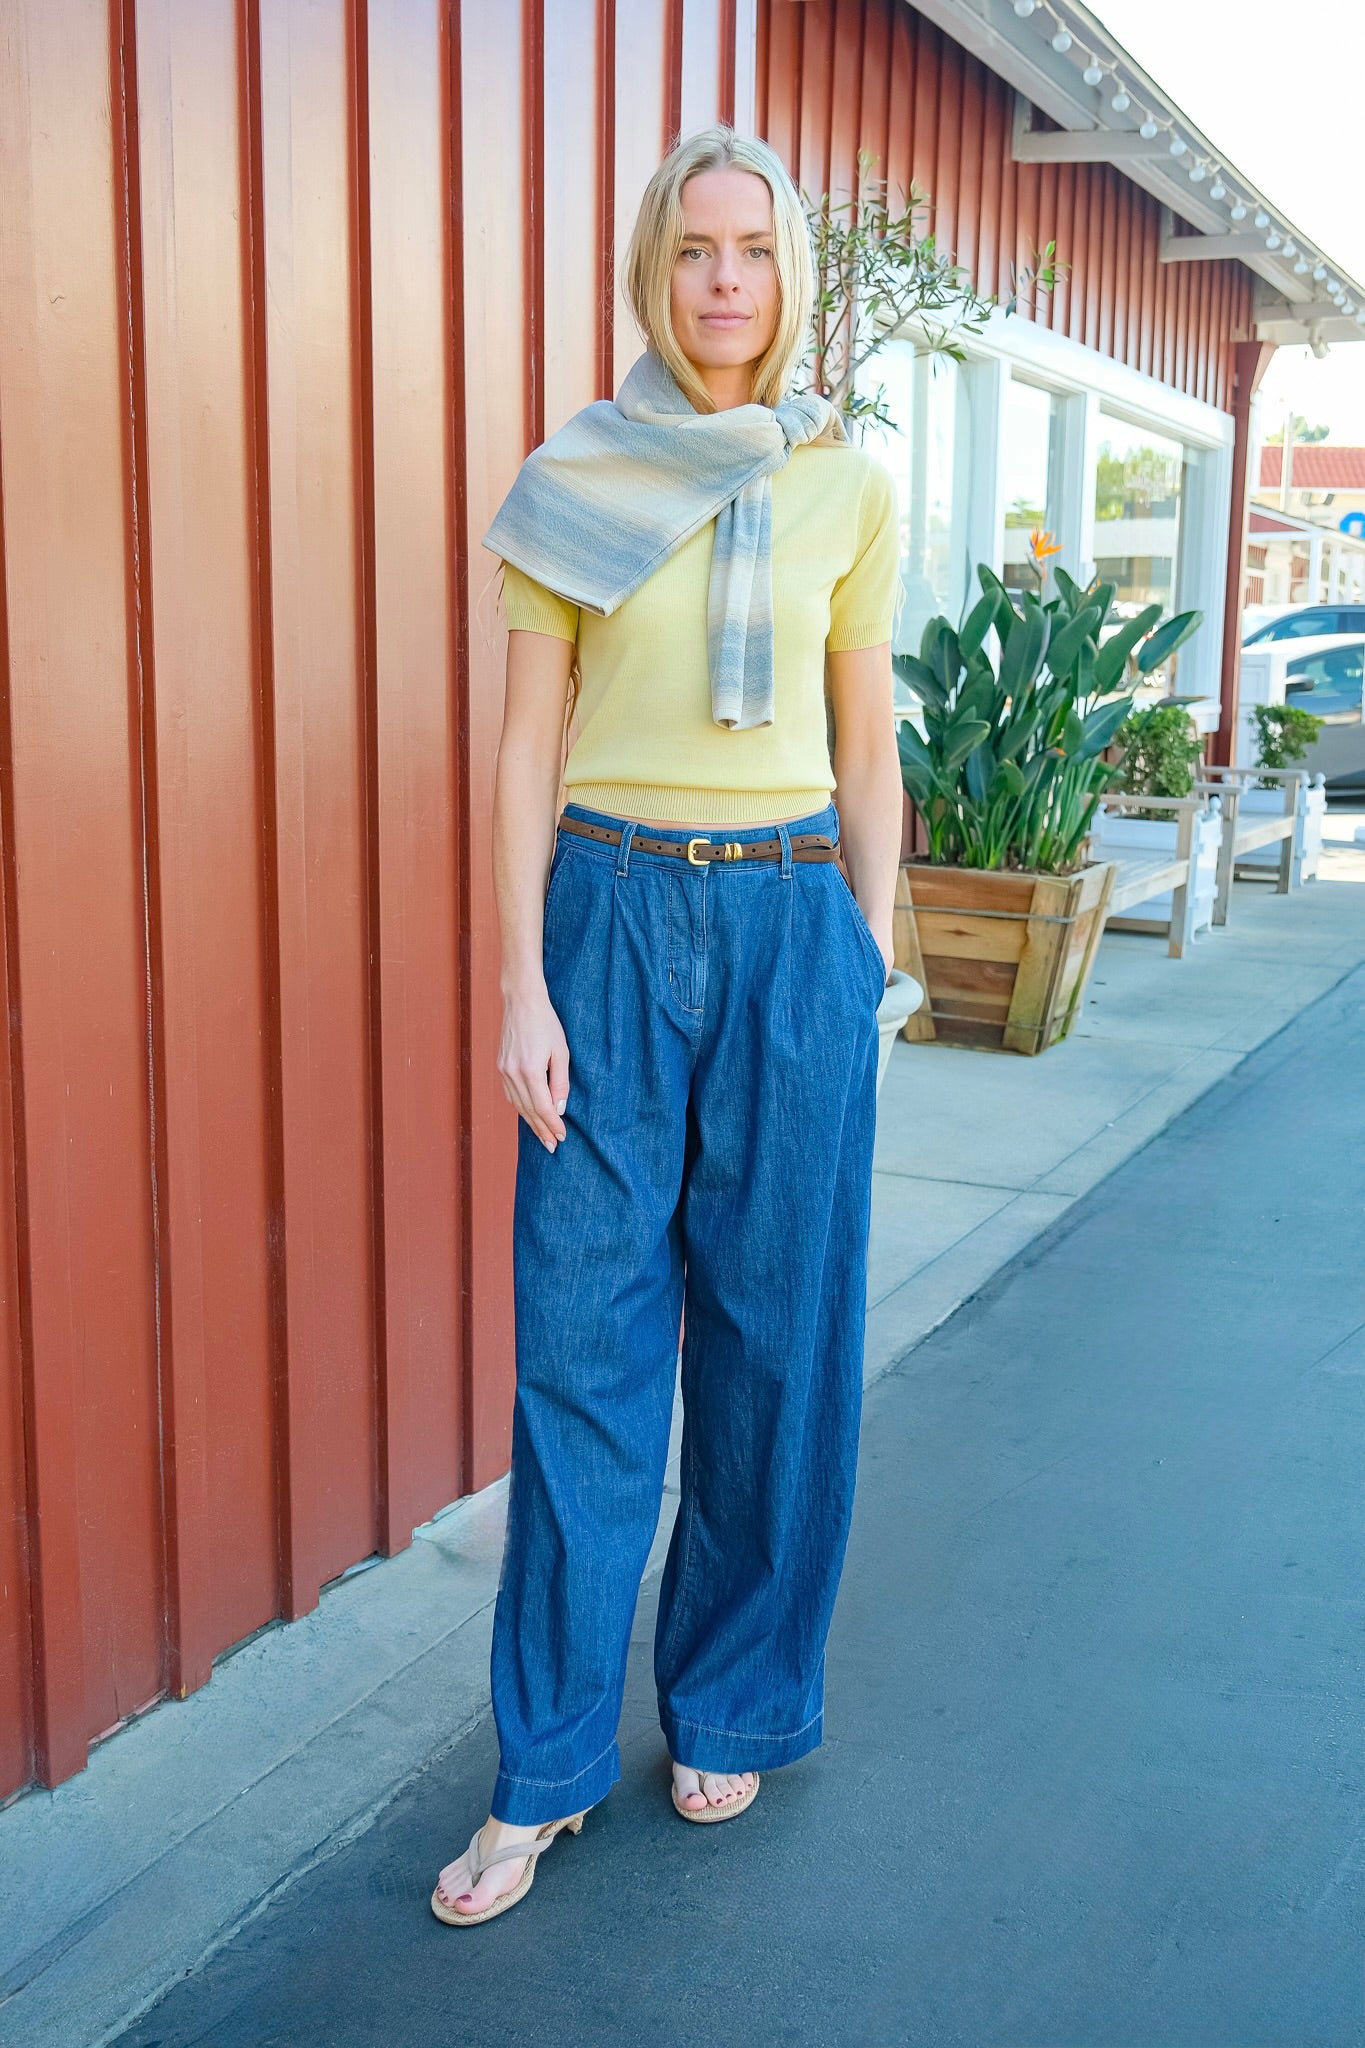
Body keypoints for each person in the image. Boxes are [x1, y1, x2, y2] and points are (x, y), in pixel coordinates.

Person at [432, 121, 904, 1927]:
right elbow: (524, 748)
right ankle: (540, 1773)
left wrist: (870, 952)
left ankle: (735, 1703)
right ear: (654, 270)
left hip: (793, 918)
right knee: (586, 1359)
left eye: (755, 251)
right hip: (610, 919)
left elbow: (866, 741)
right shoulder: (573, 475)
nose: (725, 282)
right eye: (696, 250)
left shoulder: (847, 489)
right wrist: (519, 982)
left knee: (781, 1348)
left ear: (789, 276)